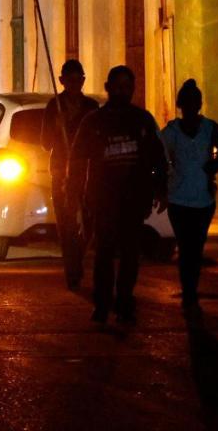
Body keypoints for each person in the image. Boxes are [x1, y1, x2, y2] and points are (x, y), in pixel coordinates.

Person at [68, 65, 168, 324]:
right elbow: (77, 159)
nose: (123, 91)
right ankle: (102, 303)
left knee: (130, 254)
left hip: (135, 199)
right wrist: (73, 191)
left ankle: (124, 300)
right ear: (108, 87)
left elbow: (158, 156)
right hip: (103, 200)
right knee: (104, 252)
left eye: (128, 86)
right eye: (118, 86)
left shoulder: (143, 120)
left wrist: (161, 189)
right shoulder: (94, 122)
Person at [160, 79, 218, 319]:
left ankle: (191, 290)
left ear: (200, 104)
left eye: (195, 102)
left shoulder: (210, 128)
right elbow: (158, 157)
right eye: (187, 103)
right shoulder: (171, 132)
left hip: (203, 200)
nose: (191, 107)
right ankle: (189, 292)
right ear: (181, 105)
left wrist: (215, 163)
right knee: (186, 246)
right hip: (179, 199)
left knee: (195, 247)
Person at [41, 59, 99, 290]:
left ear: (83, 80)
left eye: (79, 79)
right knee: (66, 223)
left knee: (90, 221)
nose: (75, 84)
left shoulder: (92, 108)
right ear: (62, 81)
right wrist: (58, 126)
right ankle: (72, 268)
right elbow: (45, 143)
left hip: (86, 171)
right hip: (61, 170)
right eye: (70, 80)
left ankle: (79, 254)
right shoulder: (53, 107)